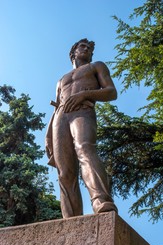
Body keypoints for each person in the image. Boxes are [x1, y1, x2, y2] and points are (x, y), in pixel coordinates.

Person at [45, 38, 118, 218]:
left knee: (85, 149)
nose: (87, 49)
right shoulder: (61, 80)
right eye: (82, 46)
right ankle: (70, 218)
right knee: (64, 171)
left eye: (89, 48)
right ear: (73, 52)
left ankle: (101, 201)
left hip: (83, 110)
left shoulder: (96, 67)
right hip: (60, 118)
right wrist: (48, 136)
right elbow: (56, 108)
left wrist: (84, 94)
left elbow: (111, 92)